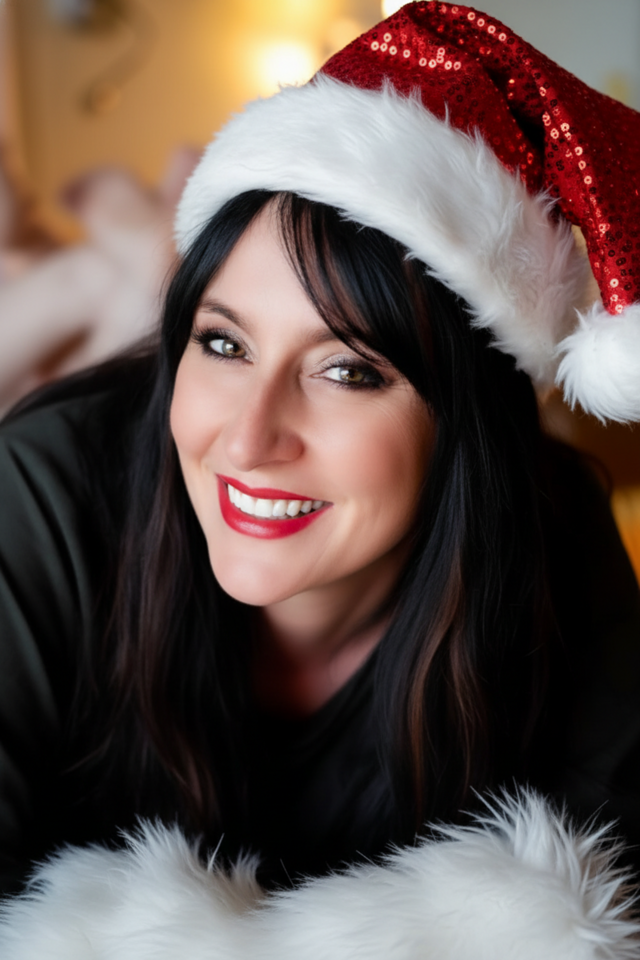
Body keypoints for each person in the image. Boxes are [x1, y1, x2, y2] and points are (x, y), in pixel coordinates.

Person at [1, 3, 640, 956]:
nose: (247, 438)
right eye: (224, 344)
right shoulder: (42, 492)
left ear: (464, 427)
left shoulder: (555, 536)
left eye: (346, 371)